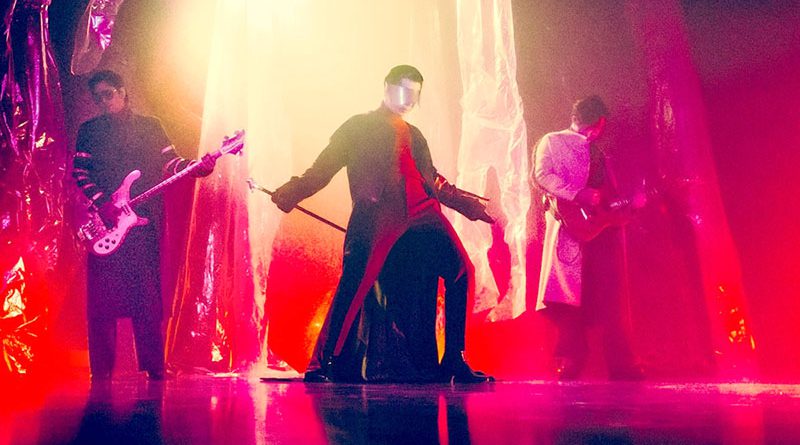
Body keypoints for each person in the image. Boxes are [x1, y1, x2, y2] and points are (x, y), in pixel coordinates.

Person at [271, 65, 494, 383]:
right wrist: (293, 191)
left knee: (460, 271)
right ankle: (324, 363)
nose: (409, 100)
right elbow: (322, 169)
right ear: (386, 87)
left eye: (415, 94)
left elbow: (432, 179)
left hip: (423, 212)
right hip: (378, 212)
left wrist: (467, 205)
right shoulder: (357, 126)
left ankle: (454, 360)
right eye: (403, 91)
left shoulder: (415, 134)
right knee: (355, 282)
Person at [73, 70, 215, 381]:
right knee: (101, 304)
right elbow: (80, 172)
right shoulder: (89, 131)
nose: (103, 102)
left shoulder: (150, 127)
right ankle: (102, 373)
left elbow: (171, 163)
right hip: (106, 226)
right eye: (97, 98)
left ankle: (155, 367)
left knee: (146, 298)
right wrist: (104, 204)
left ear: (123, 92)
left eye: (108, 94)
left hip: (142, 224)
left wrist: (198, 167)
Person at [533, 95, 644, 380]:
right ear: (586, 121)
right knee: (570, 302)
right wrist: (577, 194)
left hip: (601, 234)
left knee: (610, 299)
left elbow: (607, 195)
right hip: (570, 232)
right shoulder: (552, 141)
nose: (596, 132)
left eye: (598, 128)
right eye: (595, 126)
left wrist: (627, 205)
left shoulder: (599, 152)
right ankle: (572, 362)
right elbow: (541, 175)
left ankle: (621, 365)